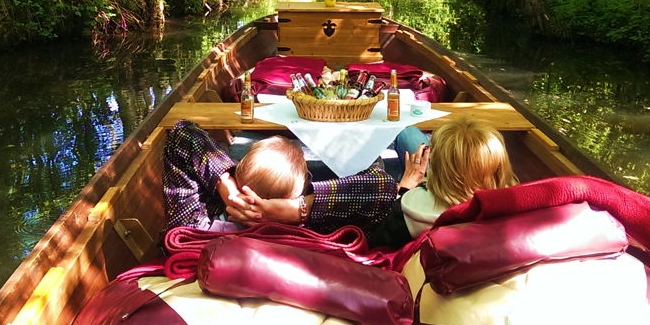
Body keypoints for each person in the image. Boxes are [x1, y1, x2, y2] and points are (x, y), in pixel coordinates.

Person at [162, 120, 400, 236]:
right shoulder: (317, 230)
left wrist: (227, 186)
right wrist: (299, 210)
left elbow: (182, 133)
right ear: (292, 197)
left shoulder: (196, 227)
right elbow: (383, 187)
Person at [369, 116, 519, 248]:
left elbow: (375, 242)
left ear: (436, 166)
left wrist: (404, 187)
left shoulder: (411, 210)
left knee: (408, 131)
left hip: (419, 195)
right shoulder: (513, 206)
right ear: (499, 167)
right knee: (410, 133)